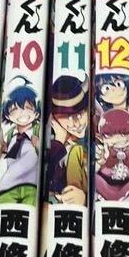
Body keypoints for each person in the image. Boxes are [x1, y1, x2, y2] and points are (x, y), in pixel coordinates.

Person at [44, 75, 89, 205]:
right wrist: (59, 141)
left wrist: (84, 198)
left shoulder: (96, 140)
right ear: (54, 119)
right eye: (66, 117)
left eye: (80, 114)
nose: (76, 123)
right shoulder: (52, 145)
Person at [0, 79, 41, 205]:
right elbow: (4, 156)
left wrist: (38, 145)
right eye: (14, 110)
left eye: (28, 108)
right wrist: (2, 150)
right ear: (7, 115)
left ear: (37, 113)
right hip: (9, 186)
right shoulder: (11, 135)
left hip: (32, 185)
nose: (22, 113)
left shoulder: (38, 131)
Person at [94, 106, 129, 201]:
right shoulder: (101, 152)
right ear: (100, 138)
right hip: (103, 190)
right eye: (109, 135)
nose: (118, 139)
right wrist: (100, 162)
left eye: (125, 133)